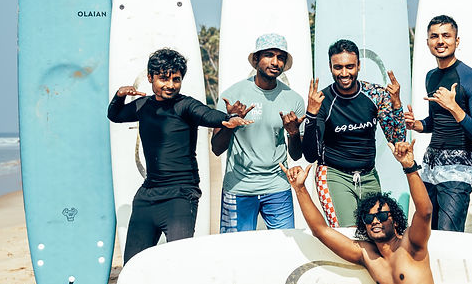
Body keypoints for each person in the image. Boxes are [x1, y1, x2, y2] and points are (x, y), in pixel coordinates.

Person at [218, 138, 441, 284]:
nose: (374, 220)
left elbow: (425, 210)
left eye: (381, 215)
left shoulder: (412, 245)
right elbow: (321, 230)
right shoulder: (366, 253)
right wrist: (300, 189)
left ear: (395, 220)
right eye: (368, 218)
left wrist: (409, 166)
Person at [108, 48, 252, 264]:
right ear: (150, 78)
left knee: (179, 263)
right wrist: (119, 96)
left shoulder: (185, 105)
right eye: (163, 78)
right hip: (148, 196)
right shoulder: (142, 105)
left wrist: (228, 118)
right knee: (132, 265)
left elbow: (208, 115)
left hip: (181, 195)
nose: (170, 85)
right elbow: (115, 115)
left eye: (176, 79)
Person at [302, 39, 405, 227]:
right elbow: (310, 155)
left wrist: (396, 104)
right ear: (330, 67)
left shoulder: (376, 95)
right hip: (334, 175)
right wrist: (311, 114)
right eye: (338, 67)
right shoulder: (323, 100)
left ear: (358, 65)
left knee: (378, 230)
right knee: (349, 235)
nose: (344, 73)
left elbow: (397, 139)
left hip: (368, 175)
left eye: (350, 66)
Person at [212, 33, 306, 233]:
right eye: (269, 55)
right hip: (238, 188)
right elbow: (216, 148)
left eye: (280, 57)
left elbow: (297, 154)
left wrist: (293, 133)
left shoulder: (294, 99)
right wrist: (231, 123)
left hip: (277, 188)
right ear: (256, 60)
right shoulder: (232, 96)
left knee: (284, 248)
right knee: (235, 251)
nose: (275, 62)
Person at [404, 14, 472, 232]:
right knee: (427, 233)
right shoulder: (431, 76)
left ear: (456, 41)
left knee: (449, 235)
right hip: (431, 165)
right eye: (434, 36)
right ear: (427, 42)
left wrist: (454, 106)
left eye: (446, 36)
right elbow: (435, 122)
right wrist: (416, 125)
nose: (440, 41)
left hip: (458, 168)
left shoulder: (470, 78)